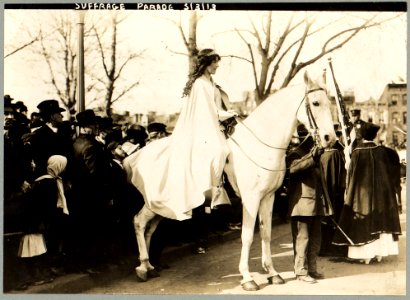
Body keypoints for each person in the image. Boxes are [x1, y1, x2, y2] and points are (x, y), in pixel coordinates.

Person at [125, 48, 236, 221]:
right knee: (220, 150)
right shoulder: (200, 84)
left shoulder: (211, 82)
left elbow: (217, 108)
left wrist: (229, 113)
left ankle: (217, 191)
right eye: (215, 63)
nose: (217, 66)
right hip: (203, 127)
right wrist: (227, 115)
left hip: (214, 124)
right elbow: (208, 111)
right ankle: (214, 191)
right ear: (207, 63)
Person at [332, 122, 402, 263]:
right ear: (375, 135)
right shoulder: (382, 151)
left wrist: (347, 158)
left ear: (362, 136)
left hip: (361, 195)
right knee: (380, 221)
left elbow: (351, 173)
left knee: (363, 221)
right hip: (380, 195)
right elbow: (389, 173)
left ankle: (365, 255)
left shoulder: (357, 152)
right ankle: (379, 254)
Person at [286, 124, 332, 284]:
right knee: (302, 240)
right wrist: (312, 157)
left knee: (315, 241)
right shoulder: (295, 154)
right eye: (311, 136)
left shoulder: (313, 154)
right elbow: (293, 168)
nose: (314, 140)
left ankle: (312, 269)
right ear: (303, 137)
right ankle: (300, 272)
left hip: (316, 206)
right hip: (301, 207)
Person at [70, 109, 113, 273]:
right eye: (94, 124)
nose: (96, 127)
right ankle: (92, 264)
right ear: (88, 126)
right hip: (93, 194)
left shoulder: (76, 142)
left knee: (84, 229)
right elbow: (95, 174)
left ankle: (85, 263)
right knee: (94, 229)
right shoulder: (91, 145)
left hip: (80, 193)